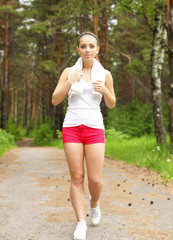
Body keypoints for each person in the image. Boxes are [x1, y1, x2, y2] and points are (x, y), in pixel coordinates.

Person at [52, 32, 116, 240]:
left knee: (95, 180)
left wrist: (105, 90)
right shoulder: (69, 71)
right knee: (77, 177)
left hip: (94, 127)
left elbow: (112, 104)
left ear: (98, 49)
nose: (87, 49)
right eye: (83, 46)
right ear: (78, 49)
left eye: (91, 46)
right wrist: (69, 82)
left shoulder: (105, 73)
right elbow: (55, 100)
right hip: (71, 126)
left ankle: (95, 205)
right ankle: (80, 222)